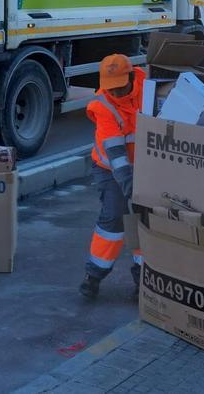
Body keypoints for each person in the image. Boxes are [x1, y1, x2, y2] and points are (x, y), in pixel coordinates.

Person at [79, 54, 146, 299]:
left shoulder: (148, 90)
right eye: (111, 88)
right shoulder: (102, 105)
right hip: (109, 169)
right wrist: (130, 187)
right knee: (115, 217)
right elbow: (116, 153)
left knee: (144, 219)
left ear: (130, 76)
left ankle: (143, 278)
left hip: (145, 168)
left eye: (120, 87)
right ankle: (93, 275)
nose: (116, 93)